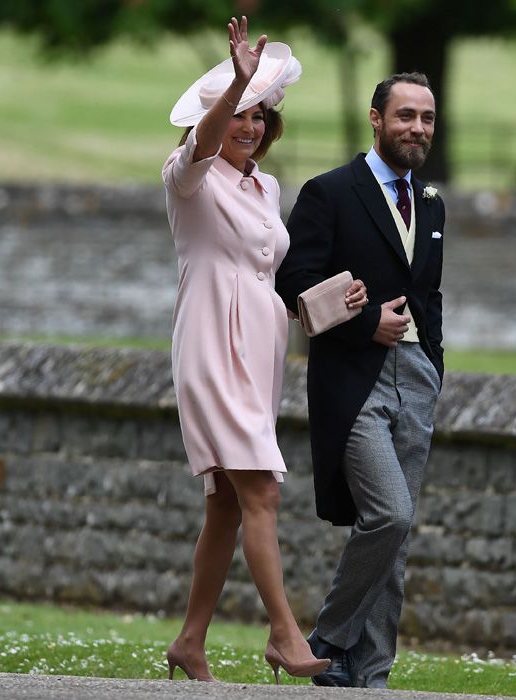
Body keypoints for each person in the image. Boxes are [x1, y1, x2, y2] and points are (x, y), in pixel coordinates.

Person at [161, 17, 360, 684]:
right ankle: (283, 634)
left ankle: (190, 642)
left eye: (258, 116)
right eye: (238, 115)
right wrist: (237, 83)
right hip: (211, 347)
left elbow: (266, 272)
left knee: (226, 501)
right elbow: (203, 147)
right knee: (262, 494)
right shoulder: (188, 175)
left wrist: (327, 304)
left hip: (260, 351)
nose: (248, 126)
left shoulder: (267, 188)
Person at [275, 72, 445, 688]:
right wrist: (364, 320)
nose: (416, 129)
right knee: (390, 516)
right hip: (354, 383)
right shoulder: (329, 192)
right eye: (405, 116)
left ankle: (369, 677)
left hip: (417, 380)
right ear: (376, 120)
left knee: (394, 545)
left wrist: (435, 364)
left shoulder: (431, 204)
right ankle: (328, 637)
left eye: (426, 118)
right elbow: (291, 282)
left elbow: (431, 296)